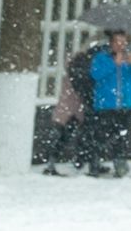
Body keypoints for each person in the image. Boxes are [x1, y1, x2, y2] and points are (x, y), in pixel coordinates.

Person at [77, 28, 131, 177]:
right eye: (117, 42)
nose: (121, 45)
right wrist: (114, 64)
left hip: (125, 104)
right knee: (100, 137)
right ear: (111, 43)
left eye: (123, 41)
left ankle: (120, 166)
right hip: (105, 105)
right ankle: (94, 166)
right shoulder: (102, 57)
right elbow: (95, 74)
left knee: (121, 138)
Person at [36, 37, 97, 174]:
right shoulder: (82, 65)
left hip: (70, 107)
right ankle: (81, 162)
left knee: (65, 136)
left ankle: (58, 162)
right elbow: (82, 86)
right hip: (78, 107)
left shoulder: (76, 63)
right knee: (78, 136)